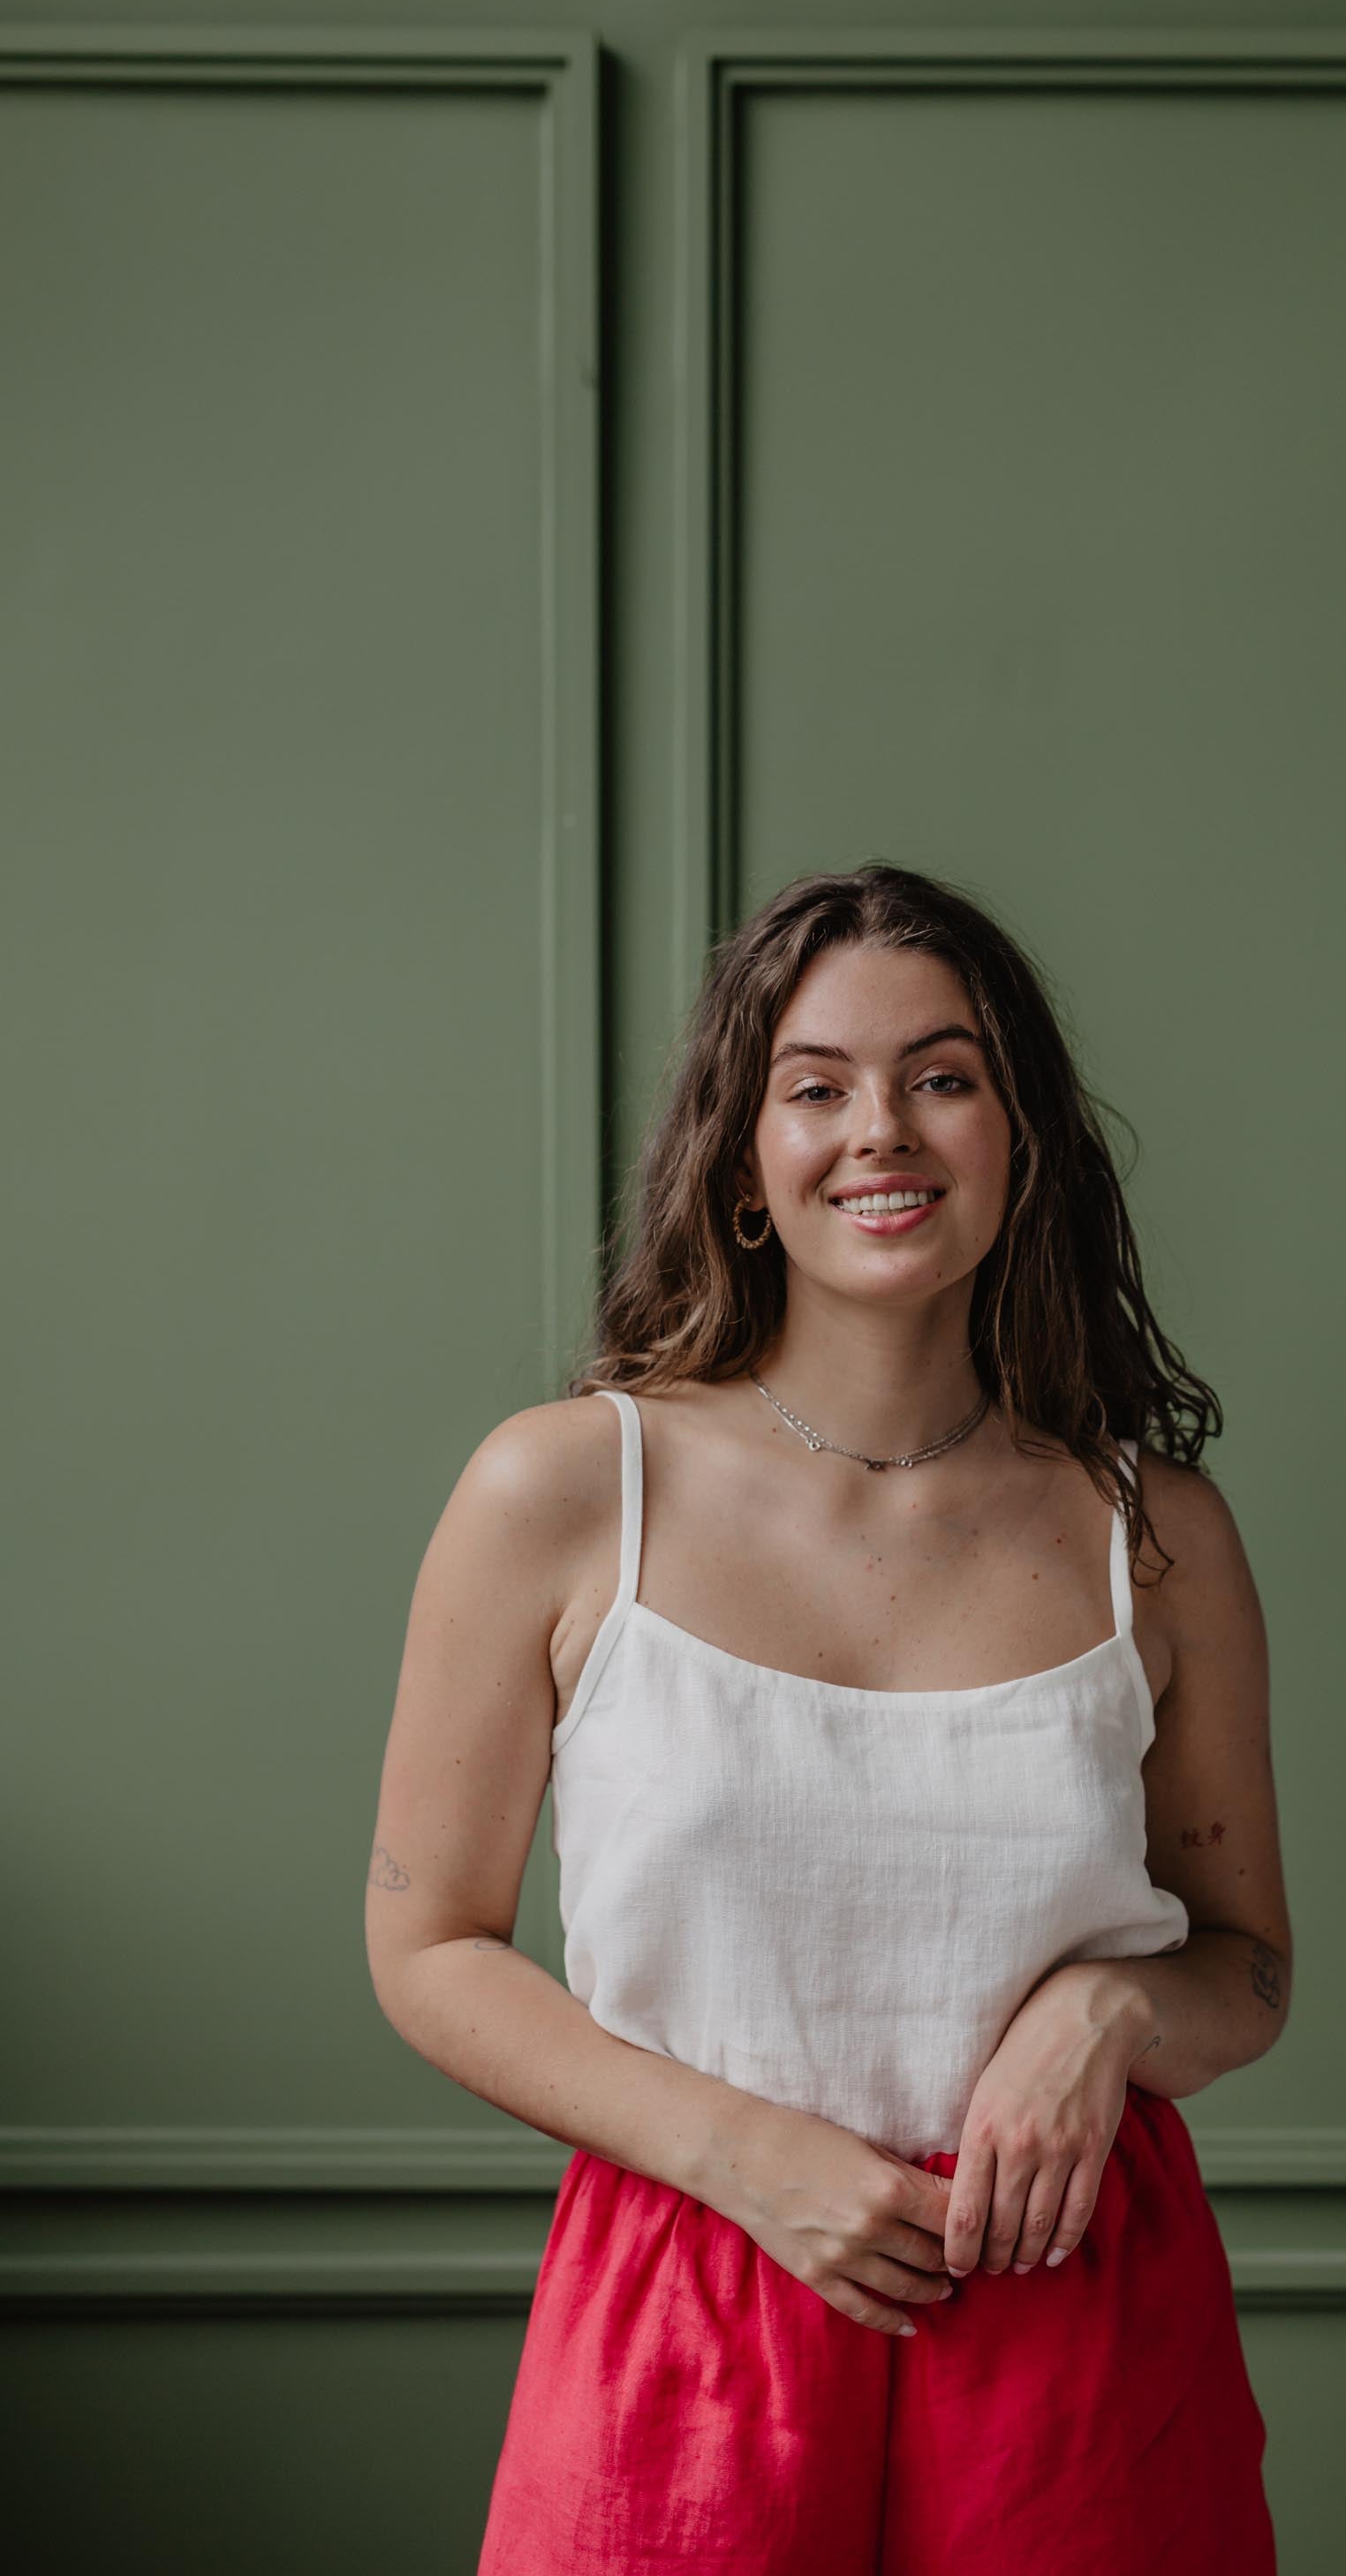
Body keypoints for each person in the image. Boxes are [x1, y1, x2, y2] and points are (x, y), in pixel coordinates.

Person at [367, 861, 1289, 2574]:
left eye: (943, 1077)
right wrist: (738, 2152)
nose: (884, 1130)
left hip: (1075, 2322)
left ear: (1020, 1140)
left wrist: (1105, 2017)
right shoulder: (564, 1490)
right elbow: (426, 1946)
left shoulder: (1150, 1535)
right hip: (691, 2300)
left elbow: (1245, 1968)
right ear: (742, 1158)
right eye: (817, 1087)